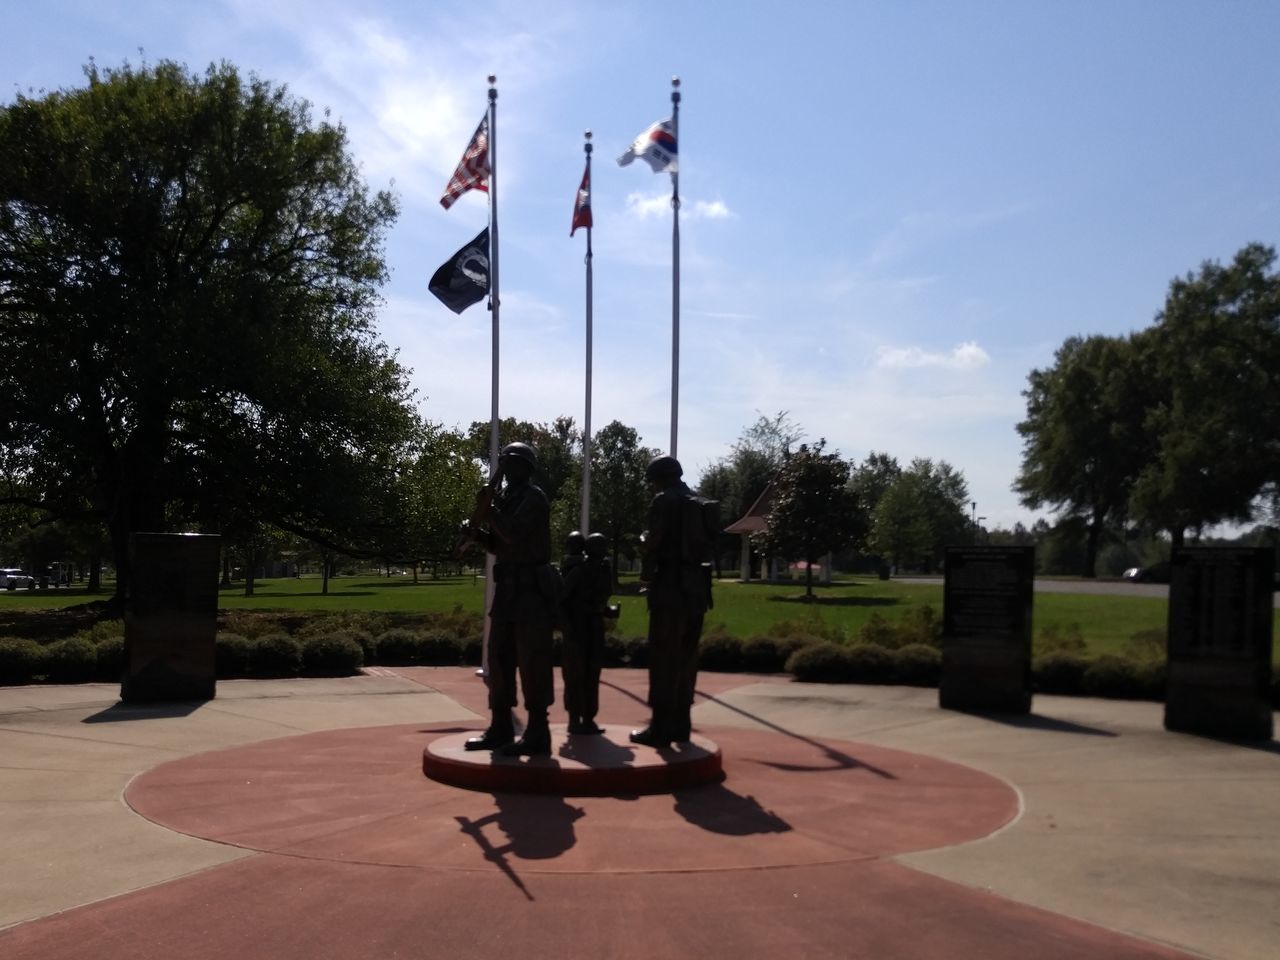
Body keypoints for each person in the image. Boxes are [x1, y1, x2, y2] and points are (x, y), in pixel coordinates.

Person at [461, 442, 558, 757]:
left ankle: (537, 731)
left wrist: (488, 510)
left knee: (533, 661)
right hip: (507, 593)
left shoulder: (534, 498)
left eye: (510, 463)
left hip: (531, 593)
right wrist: (477, 535)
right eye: (502, 463)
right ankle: (500, 726)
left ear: (525, 467)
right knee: (499, 659)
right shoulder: (505, 498)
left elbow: (513, 533)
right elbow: (501, 544)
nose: (503, 469)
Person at [630, 455, 715, 748]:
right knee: (687, 657)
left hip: (669, 587)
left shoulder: (664, 501)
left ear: (660, 478)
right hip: (697, 589)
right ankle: (681, 724)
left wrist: (642, 538)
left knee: (663, 657)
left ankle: (661, 727)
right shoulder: (698, 501)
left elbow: (653, 541)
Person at [559, 531, 613, 734]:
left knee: (593, 672)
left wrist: (604, 609)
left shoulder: (602, 569)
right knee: (574, 673)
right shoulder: (578, 571)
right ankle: (574, 718)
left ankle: (589, 717)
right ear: (589, 549)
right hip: (577, 627)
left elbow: (602, 595)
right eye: (599, 546)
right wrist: (567, 627)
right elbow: (562, 598)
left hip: (594, 627)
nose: (603, 550)